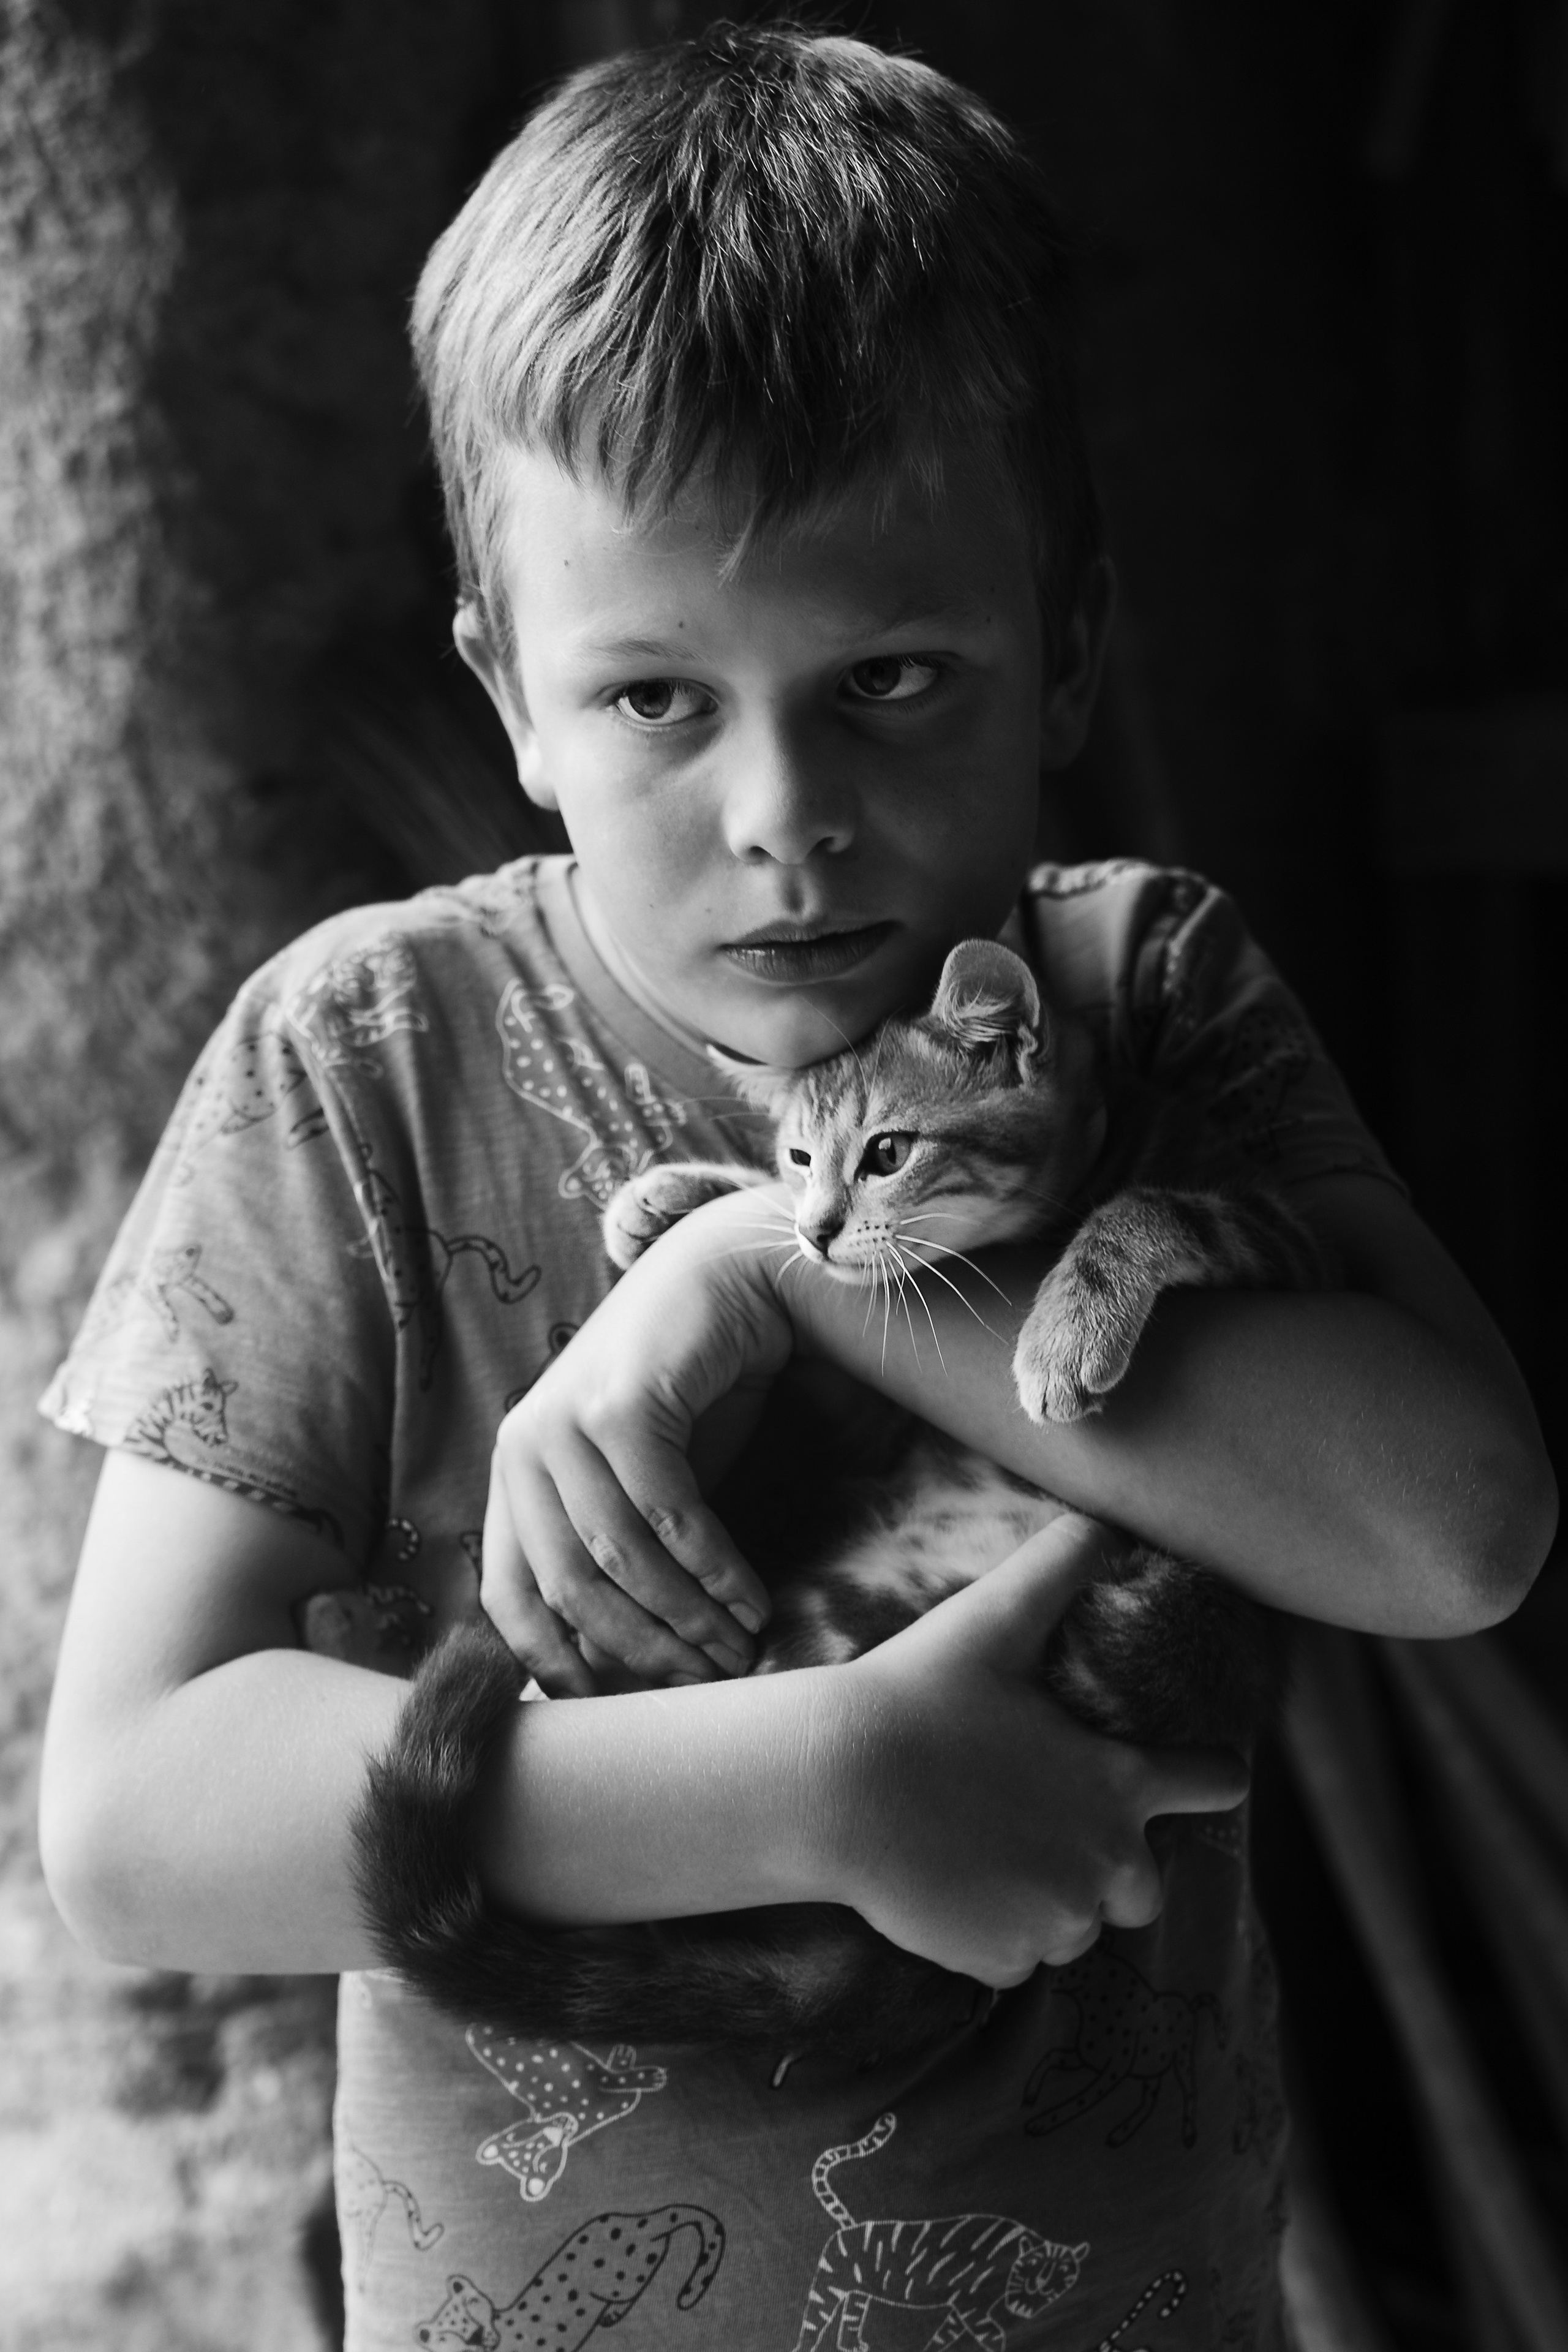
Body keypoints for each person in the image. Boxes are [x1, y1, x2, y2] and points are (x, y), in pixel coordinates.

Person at [37, 25, 1553, 2350]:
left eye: (894, 676)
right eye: (655, 697)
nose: (785, 814)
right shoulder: (367, 1056)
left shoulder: (1141, 989)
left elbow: (1451, 1526)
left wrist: (792, 1270)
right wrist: (813, 1784)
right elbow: (140, 1826)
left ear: (1073, 651)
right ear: (511, 696)